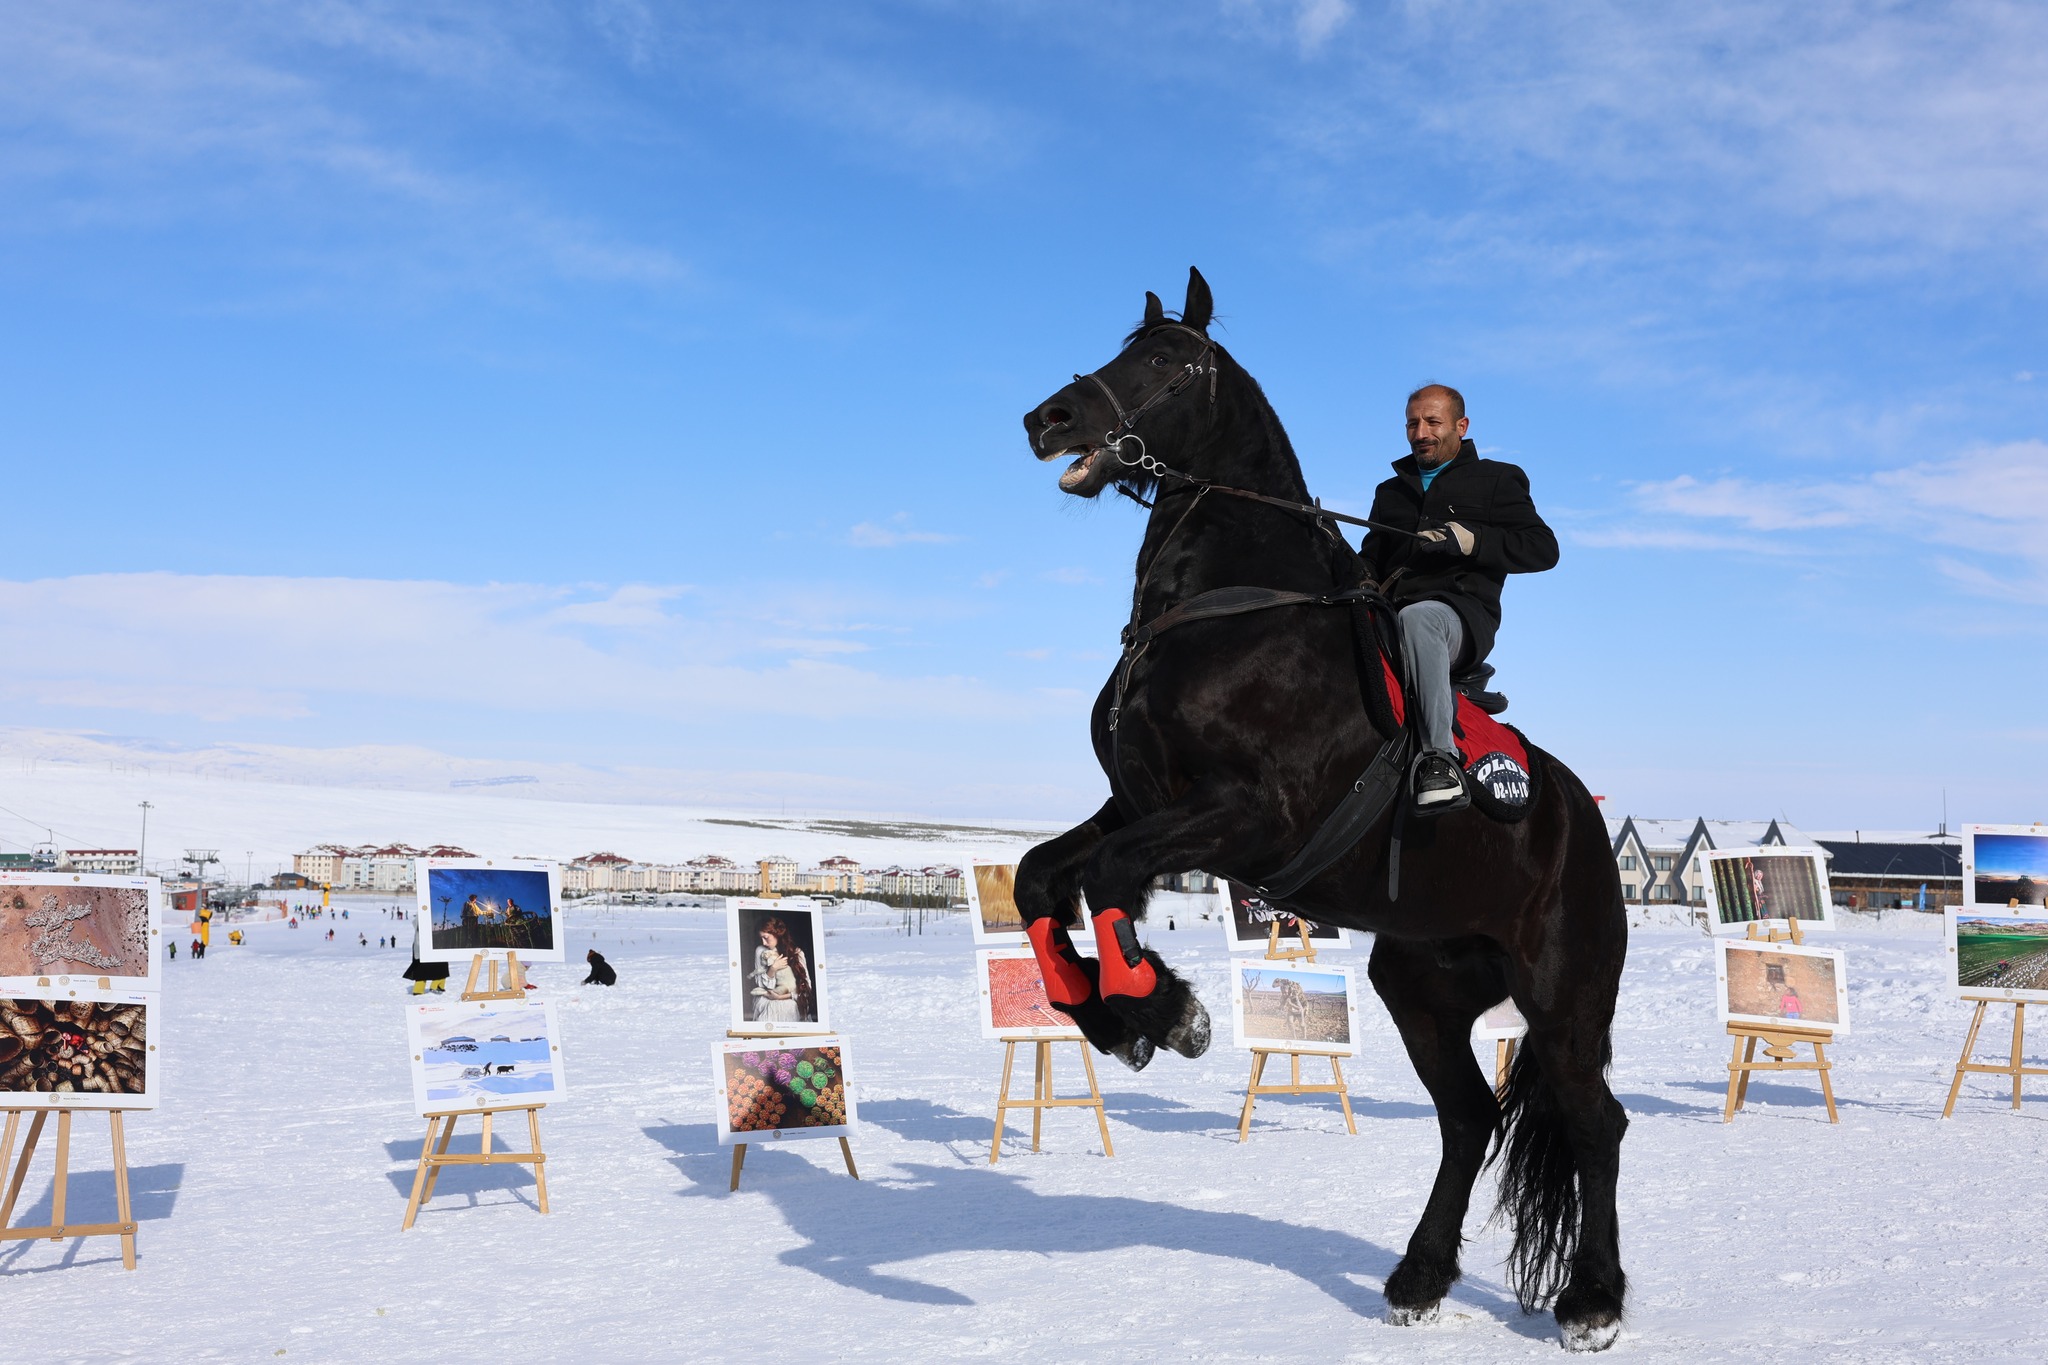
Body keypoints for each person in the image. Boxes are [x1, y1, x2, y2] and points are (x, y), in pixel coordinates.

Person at [1358, 384, 1559, 814]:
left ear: (1461, 426)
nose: (1421, 433)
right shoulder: (1389, 492)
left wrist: (1472, 541)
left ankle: (1439, 761)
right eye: (1412, 424)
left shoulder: (1498, 479)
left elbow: (1543, 549)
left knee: (1420, 618)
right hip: (1390, 617)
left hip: (1459, 620)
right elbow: (1370, 561)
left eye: (1433, 422)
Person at [748, 918, 815, 1023]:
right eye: (761, 938)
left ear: (777, 934)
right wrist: (773, 969)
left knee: (788, 1007)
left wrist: (780, 997)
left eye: (766, 938)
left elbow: (806, 988)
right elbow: (762, 984)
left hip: (790, 998)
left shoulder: (797, 953)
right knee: (771, 1007)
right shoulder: (761, 951)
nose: (763, 942)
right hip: (767, 998)